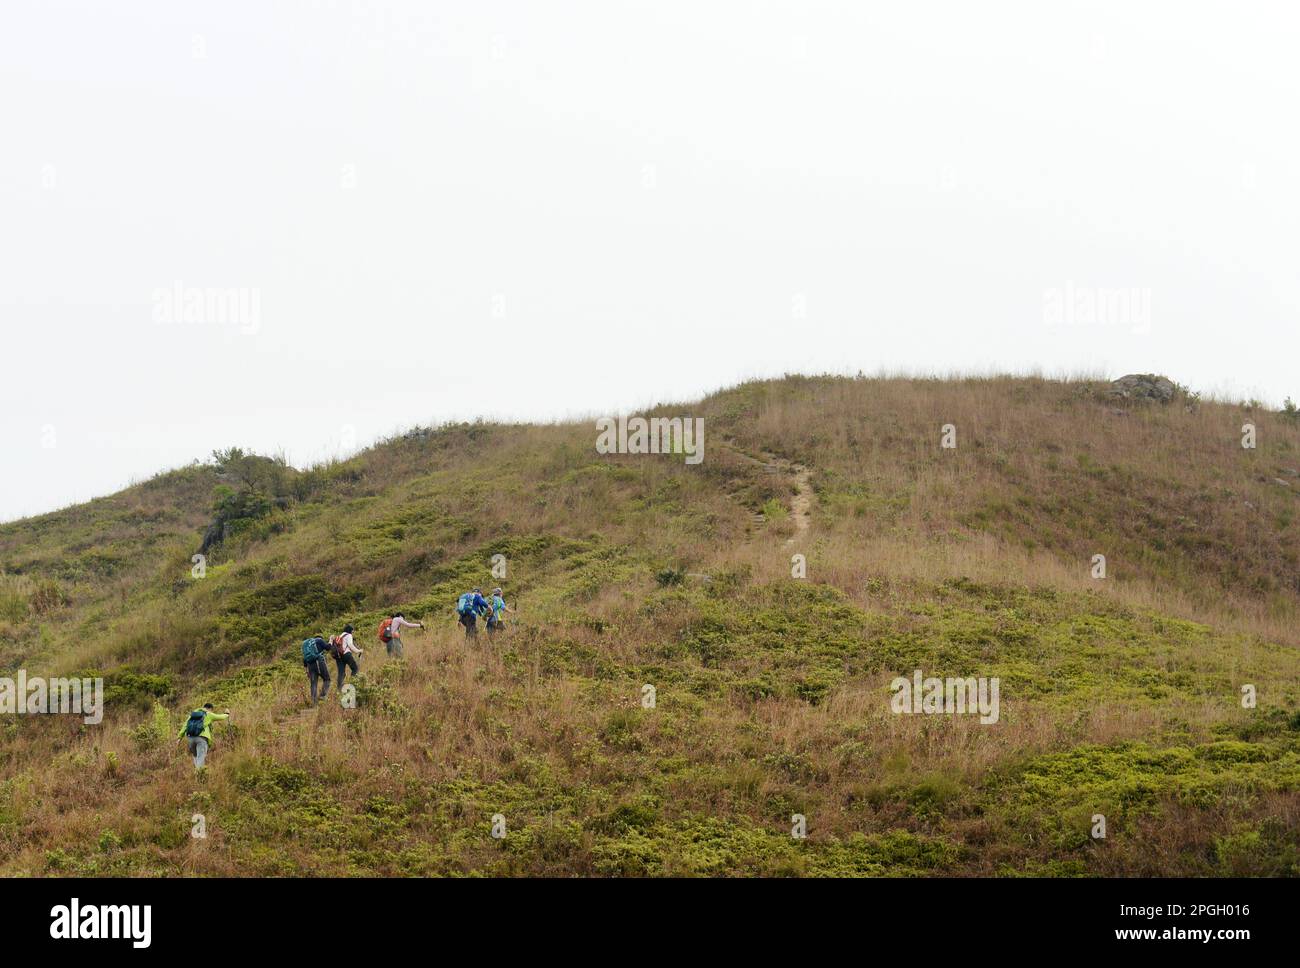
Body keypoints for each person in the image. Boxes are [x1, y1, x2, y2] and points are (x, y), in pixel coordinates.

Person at [177, 702, 229, 770]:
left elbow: (185, 725)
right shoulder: (208, 714)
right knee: (201, 758)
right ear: (210, 709)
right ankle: (200, 776)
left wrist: (179, 738)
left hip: (190, 738)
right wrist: (227, 714)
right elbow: (221, 717)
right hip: (201, 738)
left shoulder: (192, 715)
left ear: (203, 707)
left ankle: (197, 773)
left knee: (196, 757)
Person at [302, 635, 331, 703]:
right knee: (327, 679)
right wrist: (331, 640)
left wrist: (306, 671)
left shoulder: (308, 645)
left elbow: (304, 659)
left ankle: (314, 703)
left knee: (313, 683)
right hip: (318, 662)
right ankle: (322, 696)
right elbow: (328, 647)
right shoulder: (320, 640)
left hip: (310, 665)